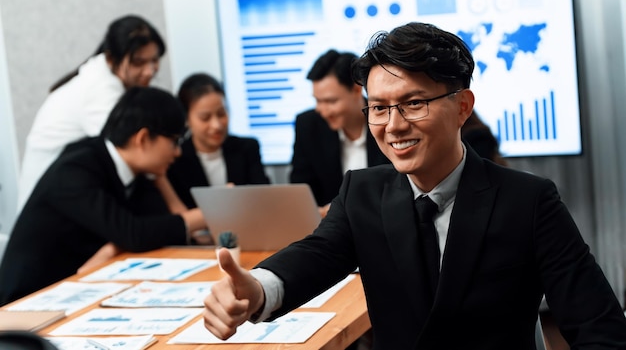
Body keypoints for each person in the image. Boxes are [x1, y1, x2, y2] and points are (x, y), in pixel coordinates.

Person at [201, 22, 626, 349]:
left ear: (462, 107)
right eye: (379, 108)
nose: (393, 125)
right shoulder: (361, 192)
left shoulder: (529, 201)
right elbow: (318, 253)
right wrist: (258, 288)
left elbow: (599, 327)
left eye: (414, 103)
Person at [0, 86, 207, 306]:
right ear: (143, 138)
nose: (178, 152)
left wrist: (114, 247)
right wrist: (206, 214)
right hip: (25, 304)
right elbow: (134, 233)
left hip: (79, 293)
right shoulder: (76, 168)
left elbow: (152, 229)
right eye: (175, 141)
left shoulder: (134, 170)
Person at [16, 14, 166, 212]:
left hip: (67, 194)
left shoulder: (104, 76)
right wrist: (181, 212)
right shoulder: (99, 91)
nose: (149, 71)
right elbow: (137, 153)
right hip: (47, 207)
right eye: (138, 62)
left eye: (154, 60)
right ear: (112, 58)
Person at [289, 49, 389, 216]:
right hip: (332, 231)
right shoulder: (309, 126)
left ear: (357, 90)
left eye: (330, 101)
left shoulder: (386, 118)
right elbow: (302, 193)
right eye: (317, 101)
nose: (322, 110)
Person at [167, 72, 270, 211]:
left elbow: (263, 198)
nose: (217, 125)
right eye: (205, 118)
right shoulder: (176, 159)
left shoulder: (247, 148)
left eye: (221, 114)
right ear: (186, 119)